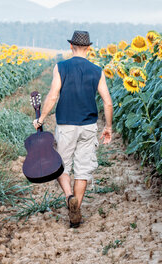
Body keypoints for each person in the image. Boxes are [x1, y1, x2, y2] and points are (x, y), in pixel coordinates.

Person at [33, 30, 113, 228]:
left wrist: (42, 118)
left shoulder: (61, 67)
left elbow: (52, 96)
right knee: (83, 169)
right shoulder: (97, 70)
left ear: (71, 46)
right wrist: (108, 127)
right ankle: (76, 210)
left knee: (62, 165)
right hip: (88, 126)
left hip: (66, 126)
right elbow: (108, 102)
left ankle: (69, 197)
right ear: (88, 48)